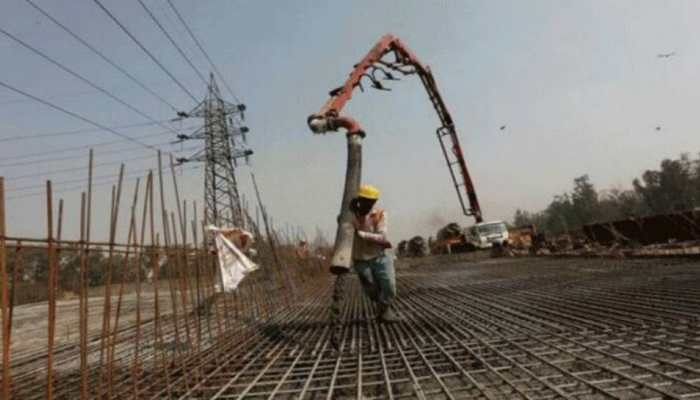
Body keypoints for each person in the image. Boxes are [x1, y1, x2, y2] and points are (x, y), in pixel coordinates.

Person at [351, 184, 400, 323]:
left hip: (380, 256)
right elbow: (341, 221)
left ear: (374, 202)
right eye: (364, 200)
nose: (367, 203)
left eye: (370, 201)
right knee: (371, 289)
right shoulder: (350, 215)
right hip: (360, 258)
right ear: (359, 200)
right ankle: (383, 311)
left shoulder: (379, 214)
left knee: (389, 287)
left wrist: (361, 234)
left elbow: (382, 237)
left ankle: (384, 309)